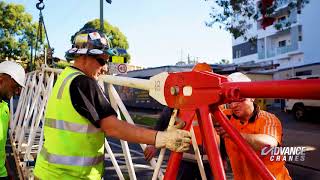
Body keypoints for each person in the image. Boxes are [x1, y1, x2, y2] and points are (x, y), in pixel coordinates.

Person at [33, 28, 191, 179]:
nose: (105, 68)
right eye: (101, 61)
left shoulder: (65, 77)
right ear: (83, 57)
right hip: (68, 176)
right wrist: (161, 138)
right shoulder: (83, 82)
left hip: (49, 171)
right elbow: (112, 127)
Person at [214, 72, 291, 180]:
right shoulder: (226, 116)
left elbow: (269, 145)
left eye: (240, 99)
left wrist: (233, 134)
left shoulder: (268, 119)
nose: (233, 105)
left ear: (252, 97)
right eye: (229, 100)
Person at [144, 63, 214, 180]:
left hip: (210, 160)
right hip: (184, 158)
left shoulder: (215, 102)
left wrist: (222, 156)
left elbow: (220, 133)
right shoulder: (182, 98)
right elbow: (164, 120)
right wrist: (154, 144)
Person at [0, 61, 26, 179]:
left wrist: (8, 169)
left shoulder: (5, 108)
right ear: (1, 80)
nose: (17, 92)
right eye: (15, 86)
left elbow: (1, 146)